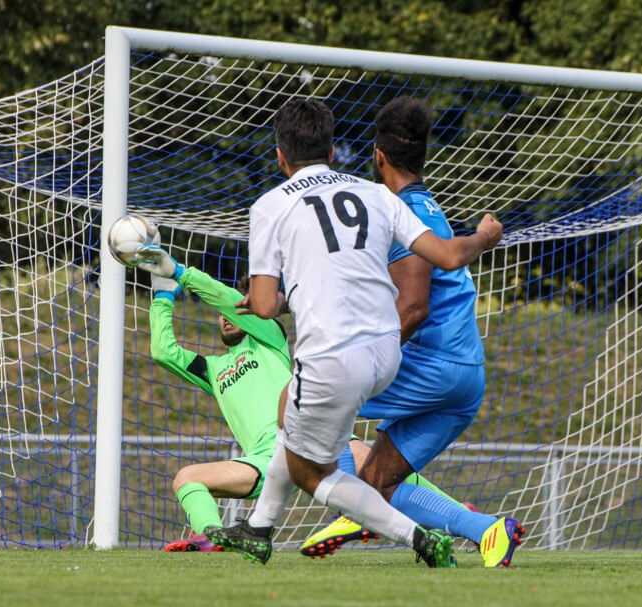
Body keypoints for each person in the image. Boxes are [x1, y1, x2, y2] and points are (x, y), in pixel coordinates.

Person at [141, 97, 501, 567]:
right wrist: (486, 236)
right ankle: (259, 530)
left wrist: (261, 297)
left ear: (280, 156)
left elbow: (266, 307)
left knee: (314, 474)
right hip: (387, 351)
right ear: (333, 153)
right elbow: (451, 255)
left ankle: (420, 538)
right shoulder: (376, 196)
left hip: (335, 354)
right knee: (289, 416)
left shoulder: (271, 206)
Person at [300, 97, 524, 568]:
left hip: (432, 366)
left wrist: (368, 359)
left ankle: (312, 515)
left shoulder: (401, 214)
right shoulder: (428, 207)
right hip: (467, 377)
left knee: (309, 396)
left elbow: (415, 306)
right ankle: (489, 530)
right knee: (377, 482)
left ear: (378, 158)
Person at [144, 264, 471, 553]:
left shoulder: (269, 338)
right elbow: (164, 352)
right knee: (187, 477)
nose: (225, 319)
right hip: (263, 460)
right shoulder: (212, 370)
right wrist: (163, 294)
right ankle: (211, 537)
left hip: (305, 431)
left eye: (233, 312)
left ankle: (460, 516)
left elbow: (224, 300)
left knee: (379, 474)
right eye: (221, 316)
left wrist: (180, 272)